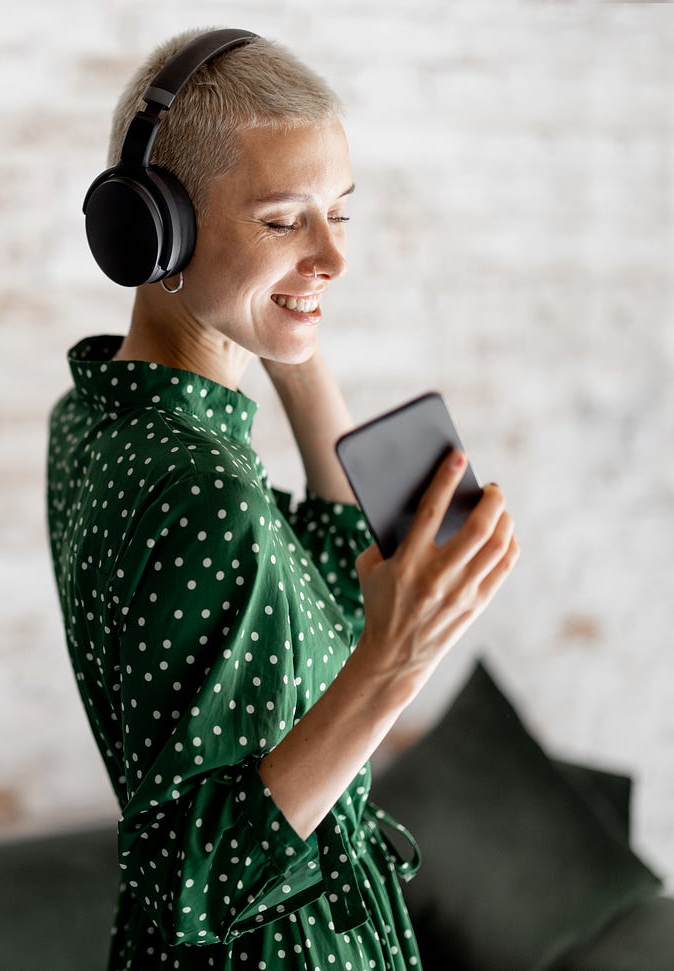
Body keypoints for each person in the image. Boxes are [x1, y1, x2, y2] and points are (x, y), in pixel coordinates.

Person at [47, 30, 519, 969]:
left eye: (340, 213)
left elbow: (315, 606)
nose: (333, 258)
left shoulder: (97, 416)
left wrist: (288, 327)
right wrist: (396, 662)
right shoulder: (201, 487)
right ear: (156, 232)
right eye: (282, 220)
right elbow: (184, 874)